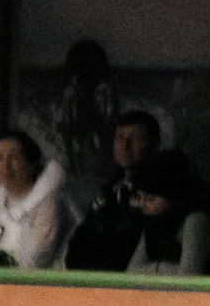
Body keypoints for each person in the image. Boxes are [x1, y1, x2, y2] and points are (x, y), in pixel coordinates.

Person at [61, 108, 160, 271]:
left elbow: (132, 247)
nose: (125, 145)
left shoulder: (160, 192)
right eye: (120, 138)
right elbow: (77, 245)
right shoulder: (110, 191)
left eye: (135, 138)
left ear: (154, 145)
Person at [0, 128, 67, 269]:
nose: (5, 166)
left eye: (13, 158)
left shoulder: (46, 201)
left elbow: (38, 259)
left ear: (31, 164)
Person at [125, 151, 210, 276]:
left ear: (173, 198)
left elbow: (187, 278)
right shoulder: (154, 220)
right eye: (139, 197)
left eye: (150, 199)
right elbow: (130, 274)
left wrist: (153, 270)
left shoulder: (196, 220)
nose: (142, 204)